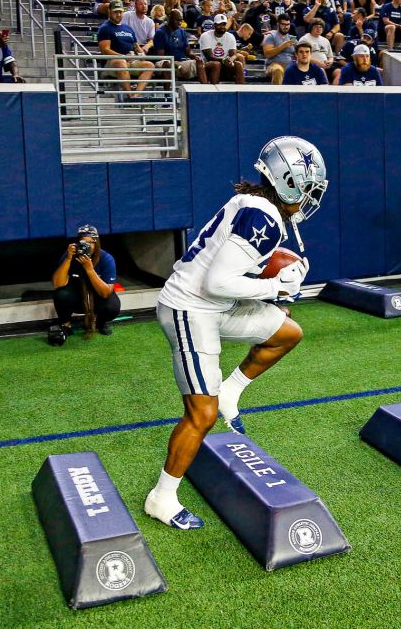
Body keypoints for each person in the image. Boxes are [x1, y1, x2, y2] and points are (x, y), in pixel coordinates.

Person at [144, 137, 327, 530]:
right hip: (189, 309)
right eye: (308, 188)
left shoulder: (255, 205)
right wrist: (275, 288)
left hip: (215, 306)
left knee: (286, 332)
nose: (311, 198)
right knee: (201, 414)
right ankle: (162, 497)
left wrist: (270, 291)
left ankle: (232, 389)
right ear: (288, 182)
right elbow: (218, 281)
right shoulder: (263, 215)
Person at [50, 225, 120, 344]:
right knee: (60, 295)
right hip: (77, 297)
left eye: (90, 243)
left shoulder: (106, 259)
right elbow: (57, 284)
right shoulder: (70, 255)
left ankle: (100, 323)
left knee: (112, 305)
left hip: (97, 297)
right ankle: (66, 325)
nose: (86, 246)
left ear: (96, 243)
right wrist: (68, 259)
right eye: (83, 243)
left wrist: (90, 270)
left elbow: (106, 292)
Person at [98, 0, 157, 97]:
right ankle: (129, 95)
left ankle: (136, 95)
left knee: (149, 65)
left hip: (131, 59)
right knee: (121, 62)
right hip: (113, 62)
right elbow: (105, 50)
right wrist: (122, 56)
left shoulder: (128, 28)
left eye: (120, 12)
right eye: (115, 12)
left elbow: (136, 46)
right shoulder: (105, 28)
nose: (118, 14)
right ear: (110, 12)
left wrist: (141, 55)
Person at [153, 9, 204, 83]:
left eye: (181, 20)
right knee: (167, 64)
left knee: (199, 62)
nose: (180, 23)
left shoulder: (182, 31)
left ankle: (206, 89)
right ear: (169, 18)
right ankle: (167, 94)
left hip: (181, 61)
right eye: (177, 20)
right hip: (165, 62)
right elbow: (161, 56)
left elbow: (188, 52)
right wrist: (176, 65)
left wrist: (196, 57)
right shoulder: (160, 32)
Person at [199, 14, 245, 84]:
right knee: (216, 64)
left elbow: (234, 54)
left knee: (238, 64)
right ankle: (215, 91)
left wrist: (231, 60)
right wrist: (224, 60)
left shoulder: (230, 36)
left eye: (224, 24)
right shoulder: (205, 36)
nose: (222, 27)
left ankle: (241, 91)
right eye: (219, 24)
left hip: (225, 64)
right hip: (208, 65)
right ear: (214, 25)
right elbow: (209, 57)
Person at [261, 14, 297, 84]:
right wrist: (283, 46)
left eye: (288, 24)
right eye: (283, 24)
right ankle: (277, 95)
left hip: (290, 65)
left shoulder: (292, 38)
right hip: (273, 65)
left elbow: (298, 54)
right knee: (278, 70)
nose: (286, 27)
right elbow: (267, 54)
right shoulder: (271, 36)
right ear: (278, 24)